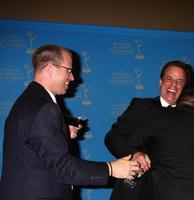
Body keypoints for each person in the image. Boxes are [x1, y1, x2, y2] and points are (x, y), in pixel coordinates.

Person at [0, 44, 140, 200]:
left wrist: (61, 132)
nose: (72, 77)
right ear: (50, 68)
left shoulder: (28, 101)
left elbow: (34, 145)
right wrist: (112, 169)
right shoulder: (44, 108)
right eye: (68, 70)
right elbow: (63, 168)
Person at [105, 60, 194, 200]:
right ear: (160, 81)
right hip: (139, 188)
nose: (174, 85)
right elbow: (112, 137)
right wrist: (134, 154)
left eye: (180, 81)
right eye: (169, 79)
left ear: (185, 87)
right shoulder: (142, 107)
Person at [126, 84, 194, 200]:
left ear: (177, 102)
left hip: (168, 193)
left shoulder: (158, 114)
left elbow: (130, 143)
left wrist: (137, 154)